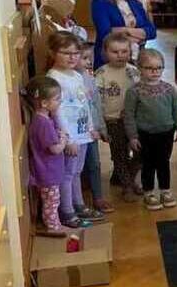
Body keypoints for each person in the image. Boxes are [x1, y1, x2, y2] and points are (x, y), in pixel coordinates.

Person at [47, 32, 105, 228]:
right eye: (66, 53)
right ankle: (67, 211)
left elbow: (84, 104)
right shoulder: (54, 79)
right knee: (67, 173)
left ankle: (78, 204)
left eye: (76, 53)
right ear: (53, 53)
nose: (73, 57)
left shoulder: (77, 76)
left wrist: (91, 127)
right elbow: (57, 112)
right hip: (70, 136)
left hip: (83, 133)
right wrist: (68, 139)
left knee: (77, 172)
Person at [124, 49, 177, 211]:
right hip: (145, 134)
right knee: (148, 164)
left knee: (164, 162)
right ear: (139, 68)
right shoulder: (134, 91)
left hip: (166, 133)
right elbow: (129, 115)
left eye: (159, 68)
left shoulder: (169, 89)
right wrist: (133, 136)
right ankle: (148, 192)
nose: (155, 71)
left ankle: (165, 190)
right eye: (150, 68)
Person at [95, 32, 141, 202]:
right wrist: (101, 126)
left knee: (139, 153)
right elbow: (97, 102)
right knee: (119, 154)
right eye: (115, 51)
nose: (120, 55)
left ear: (130, 52)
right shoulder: (101, 74)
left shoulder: (134, 72)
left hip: (134, 120)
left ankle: (125, 177)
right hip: (113, 121)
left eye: (124, 51)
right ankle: (127, 185)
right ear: (105, 52)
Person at [25, 76, 68, 235]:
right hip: (47, 171)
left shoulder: (43, 119)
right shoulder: (43, 123)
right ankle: (52, 226)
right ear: (44, 103)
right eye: (57, 99)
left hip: (47, 170)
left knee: (51, 200)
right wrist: (63, 141)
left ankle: (53, 224)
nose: (59, 102)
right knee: (52, 201)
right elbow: (55, 149)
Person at [78, 41, 115, 214]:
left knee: (94, 163)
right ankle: (78, 201)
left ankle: (97, 197)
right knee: (76, 168)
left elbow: (96, 105)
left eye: (90, 57)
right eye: (84, 57)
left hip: (92, 131)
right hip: (76, 133)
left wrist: (102, 128)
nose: (88, 61)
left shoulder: (89, 78)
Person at [91, 0, 156, 69]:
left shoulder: (136, 3)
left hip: (138, 59)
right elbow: (105, 33)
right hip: (110, 60)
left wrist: (127, 31)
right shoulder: (99, 3)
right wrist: (139, 35)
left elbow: (152, 31)